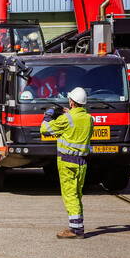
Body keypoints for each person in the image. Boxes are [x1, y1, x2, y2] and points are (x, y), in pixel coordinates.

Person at [41, 87, 92, 239]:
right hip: (82, 163)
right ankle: (77, 226)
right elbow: (75, 123)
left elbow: (44, 129)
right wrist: (68, 113)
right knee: (77, 195)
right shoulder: (89, 118)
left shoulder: (66, 119)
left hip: (67, 162)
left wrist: (48, 116)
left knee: (70, 195)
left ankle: (76, 231)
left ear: (71, 102)